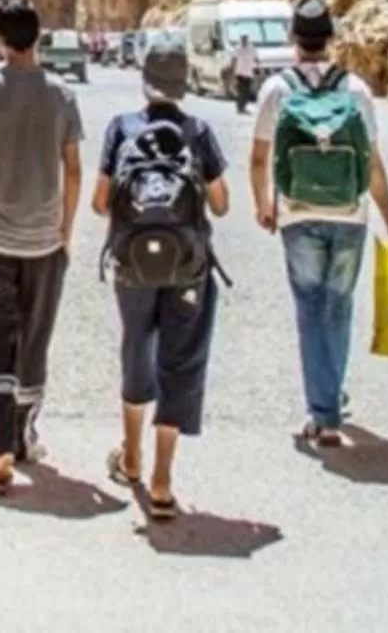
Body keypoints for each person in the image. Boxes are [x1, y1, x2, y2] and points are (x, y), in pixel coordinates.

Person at [251, 0, 388, 450]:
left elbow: (259, 158)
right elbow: (374, 166)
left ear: (293, 38)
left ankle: (323, 415)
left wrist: (264, 204)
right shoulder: (356, 90)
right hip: (350, 215)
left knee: (309, 308)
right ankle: (331, 395)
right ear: (331, 38)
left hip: (298, 215)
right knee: (338, 306)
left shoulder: (276, 89)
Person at [95, 44, 228, 519]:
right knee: (181, 358)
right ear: (184, 83)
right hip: (189, 266)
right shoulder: (199, 131)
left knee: (137, 346)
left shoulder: (121, 129)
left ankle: (131, 458)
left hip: (132, 264)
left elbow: (99, 201)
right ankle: (163, 481)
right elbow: (220, 203)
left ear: (144, 81)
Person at [0, 0, 83, 497]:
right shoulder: (62, 95)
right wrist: (65, 231)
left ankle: (1, 451)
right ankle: (24, 437)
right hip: (44, 242)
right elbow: (73, 171)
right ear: (38, 38)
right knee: (34, 341)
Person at [230, 32, 261, 114]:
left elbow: (256, 59)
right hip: (239, 73)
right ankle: (240, 107)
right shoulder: (237, 48)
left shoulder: (252, 48)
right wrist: (232, 71)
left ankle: (242, 106)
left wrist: (258, 67)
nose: (244, 41)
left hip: (248, 72)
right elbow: (234, 60)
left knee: (246, 91)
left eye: (245, 39)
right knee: (241, 91)